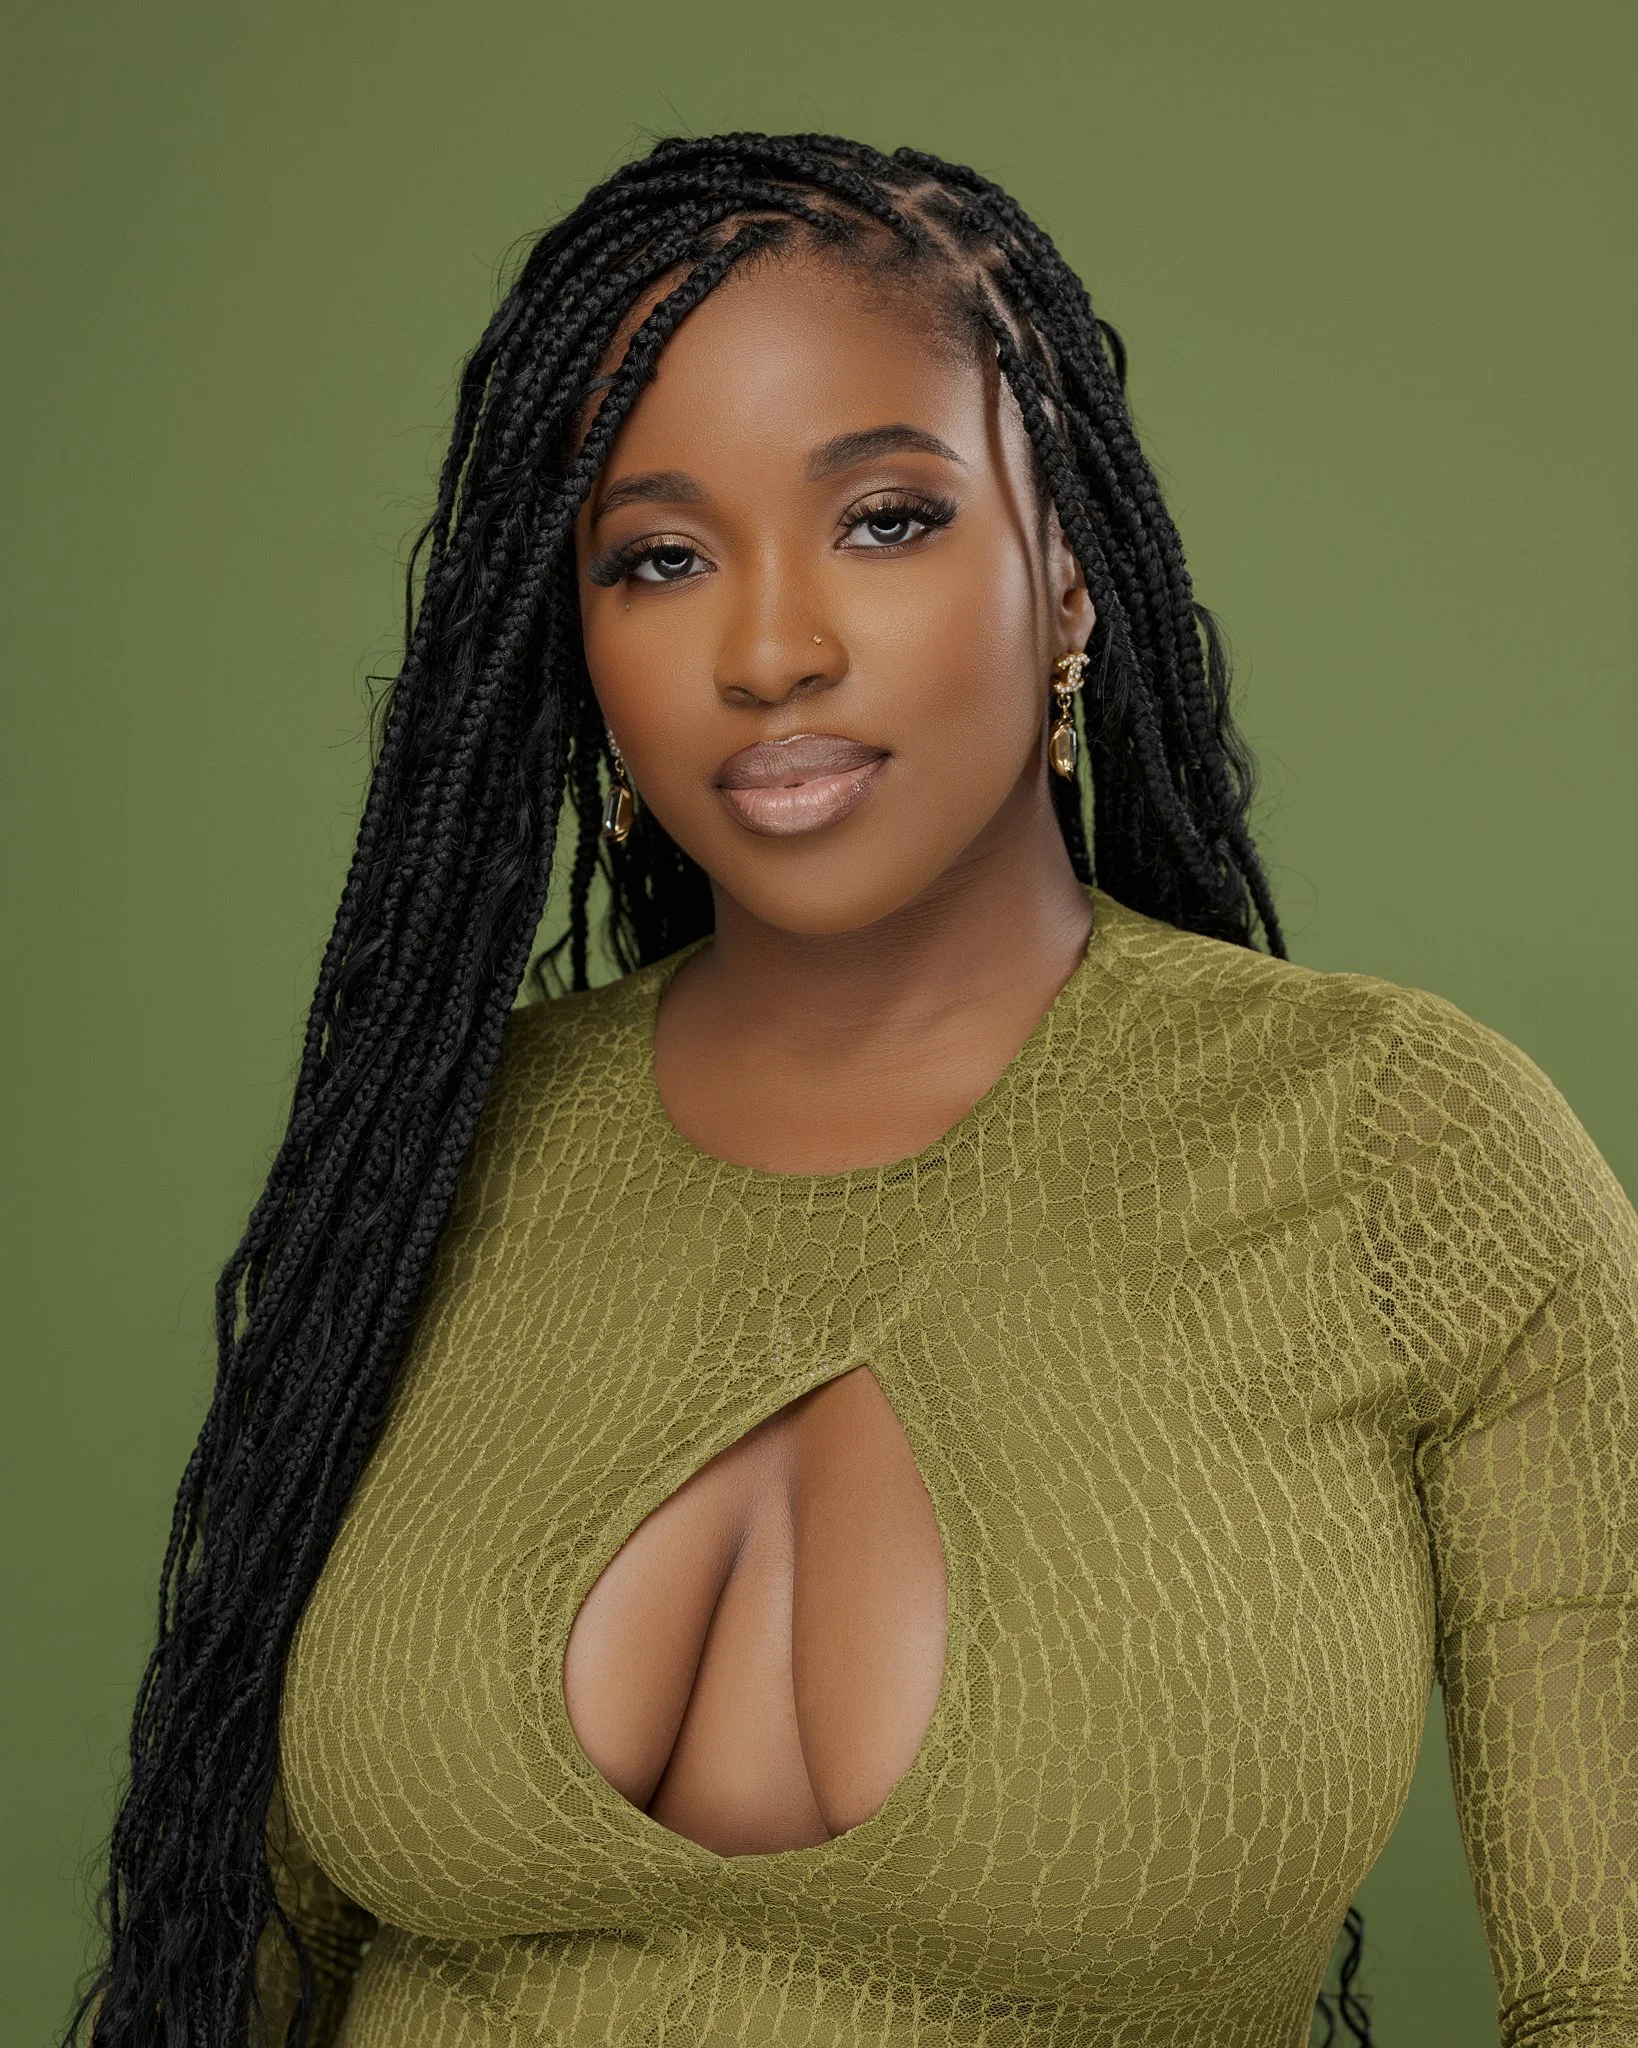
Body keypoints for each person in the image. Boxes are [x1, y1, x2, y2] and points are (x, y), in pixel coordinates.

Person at [72, 134, 1635, 2048]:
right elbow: (243, 1970)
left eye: (885, 517)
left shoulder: (1400, 1148)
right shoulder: (436, 1165)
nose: (769, 651)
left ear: (1066, 579)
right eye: (657, 558)